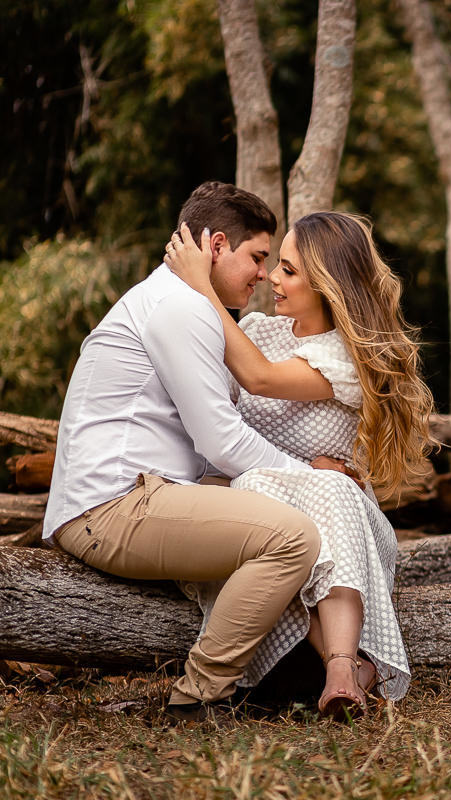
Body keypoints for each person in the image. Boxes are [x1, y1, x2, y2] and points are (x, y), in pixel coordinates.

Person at [44, 181, 357, 721]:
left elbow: (206, 446)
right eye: (258, 257)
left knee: (289, 509)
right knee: (292, 538)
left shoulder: (184, 303)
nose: (263, 275)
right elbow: (220, 439)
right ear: (215, 245)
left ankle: (334, 664)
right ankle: (198, 696)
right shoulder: (179, 308)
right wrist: (309, 472)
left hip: (148, 494)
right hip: (113, 507)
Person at [164, 211, 435, 718]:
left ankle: (340, 667)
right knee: (264, 492)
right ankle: (355, 669)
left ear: (327, 284)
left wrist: (202, 286)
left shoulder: (346, 357)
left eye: (288, 270)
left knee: (326, 489)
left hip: (340, 520)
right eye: (275, 266)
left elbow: (260, 379)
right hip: (262, 515)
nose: (271, 278)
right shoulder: (260, 331)